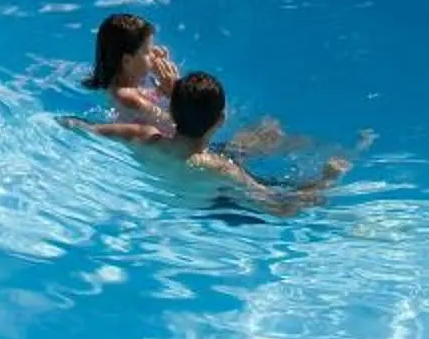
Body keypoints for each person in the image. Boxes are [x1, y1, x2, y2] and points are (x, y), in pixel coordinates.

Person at [79, 71, 347, 214]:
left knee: (233, 151)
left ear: (170, 112)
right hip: (215, 206)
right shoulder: (220, 169)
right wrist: (327, 178)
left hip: (170, 191)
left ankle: (261, 137)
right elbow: (282, 208)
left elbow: (83, 127)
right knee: (290, 189)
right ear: (220, 120)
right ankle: (268, 136)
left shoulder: (142, 135)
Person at [83, 13, 177, 130]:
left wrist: (162, 74)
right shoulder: (128, 98)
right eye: (148, 52)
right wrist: (173, 93)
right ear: (127, 61)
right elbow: (175, 126)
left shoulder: (135, 79)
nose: (154, 55)